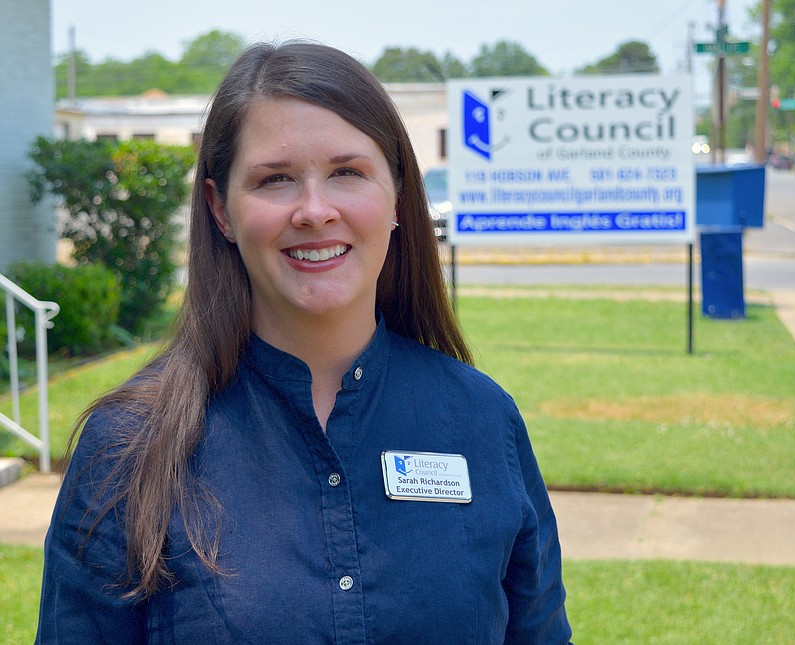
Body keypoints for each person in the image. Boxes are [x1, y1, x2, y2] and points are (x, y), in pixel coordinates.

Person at [35, 41, 572, 643]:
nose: (315, 211)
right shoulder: (130, 447)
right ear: (220, 210)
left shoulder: (481, 419)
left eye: (347, 172)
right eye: (275, 180)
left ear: (397, 193)